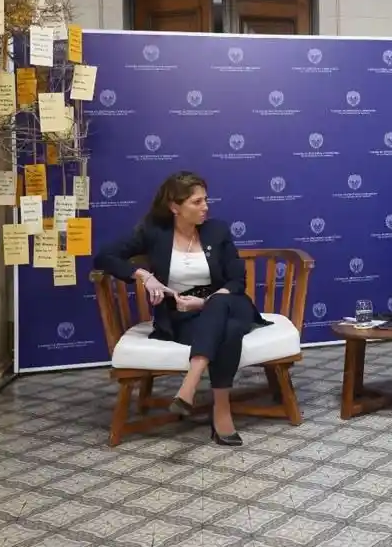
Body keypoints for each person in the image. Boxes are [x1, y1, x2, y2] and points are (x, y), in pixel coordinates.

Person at [94, 171, 267, 446]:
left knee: (219, 305)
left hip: (229, 303)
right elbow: (104, 256)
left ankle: (190, 383)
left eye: (206, 200)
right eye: (197, 202)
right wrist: (145, 276)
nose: (205, 207)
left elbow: (237, 281)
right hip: (183, 314)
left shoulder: (217, 230)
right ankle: (221, 411)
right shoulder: (154, 232)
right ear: (175, 207)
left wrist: (206, 301)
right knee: (230, 332)